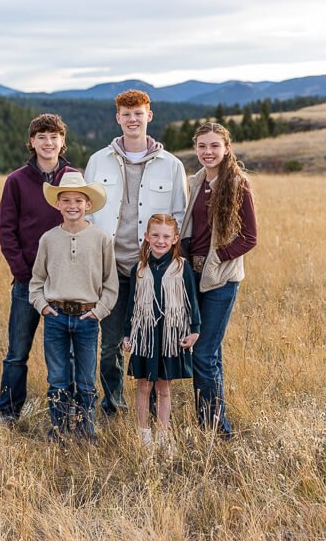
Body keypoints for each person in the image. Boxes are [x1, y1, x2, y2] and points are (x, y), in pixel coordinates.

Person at [84, 89, 188, 418]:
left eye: (138, 113)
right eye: (126, 114)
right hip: (110, 268)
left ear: (149, 116)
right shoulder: (98, 161)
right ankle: (113, 406)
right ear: (117, 118)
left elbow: (180, 217)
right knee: (111, 344)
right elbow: (87, 214)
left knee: (153, 341)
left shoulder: (171, 165)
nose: (132, 120)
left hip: (151, 271)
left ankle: (156, 407)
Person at [0, 113, 76, 424]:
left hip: (66, 282)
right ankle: (7, 412)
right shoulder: (17, 180)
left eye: (54, 136)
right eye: (41, 137)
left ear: (62, 141)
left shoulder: (72, 177)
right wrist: (23, 273)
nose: (48, 142)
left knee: (67, 353)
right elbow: (6, 229)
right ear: (32, 142)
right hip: (27, 282)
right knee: (17, 352)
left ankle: (67, 411)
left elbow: (82, 225)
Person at [180, 121, 257, 438]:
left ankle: (215, 430)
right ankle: (215, 422)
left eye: (214, 145)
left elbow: (249, 237)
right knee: (211, 354)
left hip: (221, 280)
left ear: (226, 148)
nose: (207, 152)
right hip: (192, 276)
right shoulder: (196, 181)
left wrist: (217, 259)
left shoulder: (239, 184)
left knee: (203, 353)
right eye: (201, 146)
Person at [29, 172, 118, 442]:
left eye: (78, 200)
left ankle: (85, 431)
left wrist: (99, 311)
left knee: (86, 379)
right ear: (57, 204)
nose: (72, 205)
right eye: (66, 200)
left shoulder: (101, 239)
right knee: (57, 378)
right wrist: (43, 306)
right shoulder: (48, 239)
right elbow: (37, 280)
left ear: (88, 204)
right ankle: (59, 430)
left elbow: (110, 283)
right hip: (55, 316)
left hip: (87, 318)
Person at [123, 214, 200, 449]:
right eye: (155, 235)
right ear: (146, 236)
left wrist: (195, 330)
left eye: (166, 236)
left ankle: (164, 435)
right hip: (145, 334)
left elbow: (192, 302)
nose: (160, 240)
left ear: (175, 239)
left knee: (164, 387)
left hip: (169, 336)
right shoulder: (139, 270)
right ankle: (143, 433)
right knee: (143, 385)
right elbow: (131, 306)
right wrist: (127, 334)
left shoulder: (182, 268)